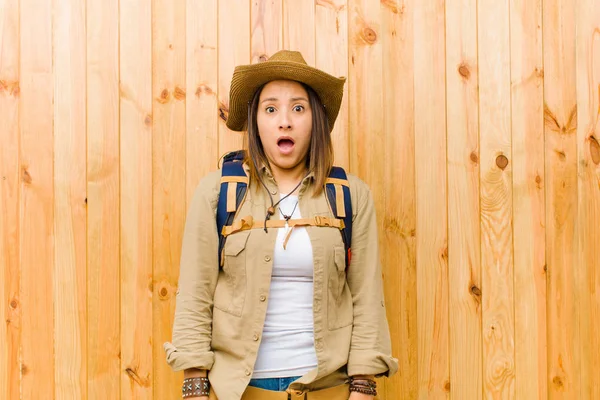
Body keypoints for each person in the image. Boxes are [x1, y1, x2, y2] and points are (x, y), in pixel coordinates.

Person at [164, 50, 398, 400]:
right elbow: (194, 297)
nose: (284, 121)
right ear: (256, 121)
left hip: (326, 389)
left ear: (315, 120)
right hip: (239, 391)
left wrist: (363, 389)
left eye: (298, 108)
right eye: (270, 109)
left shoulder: (352, 196)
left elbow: (367, 299)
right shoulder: (217, 192)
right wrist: (195, 389)